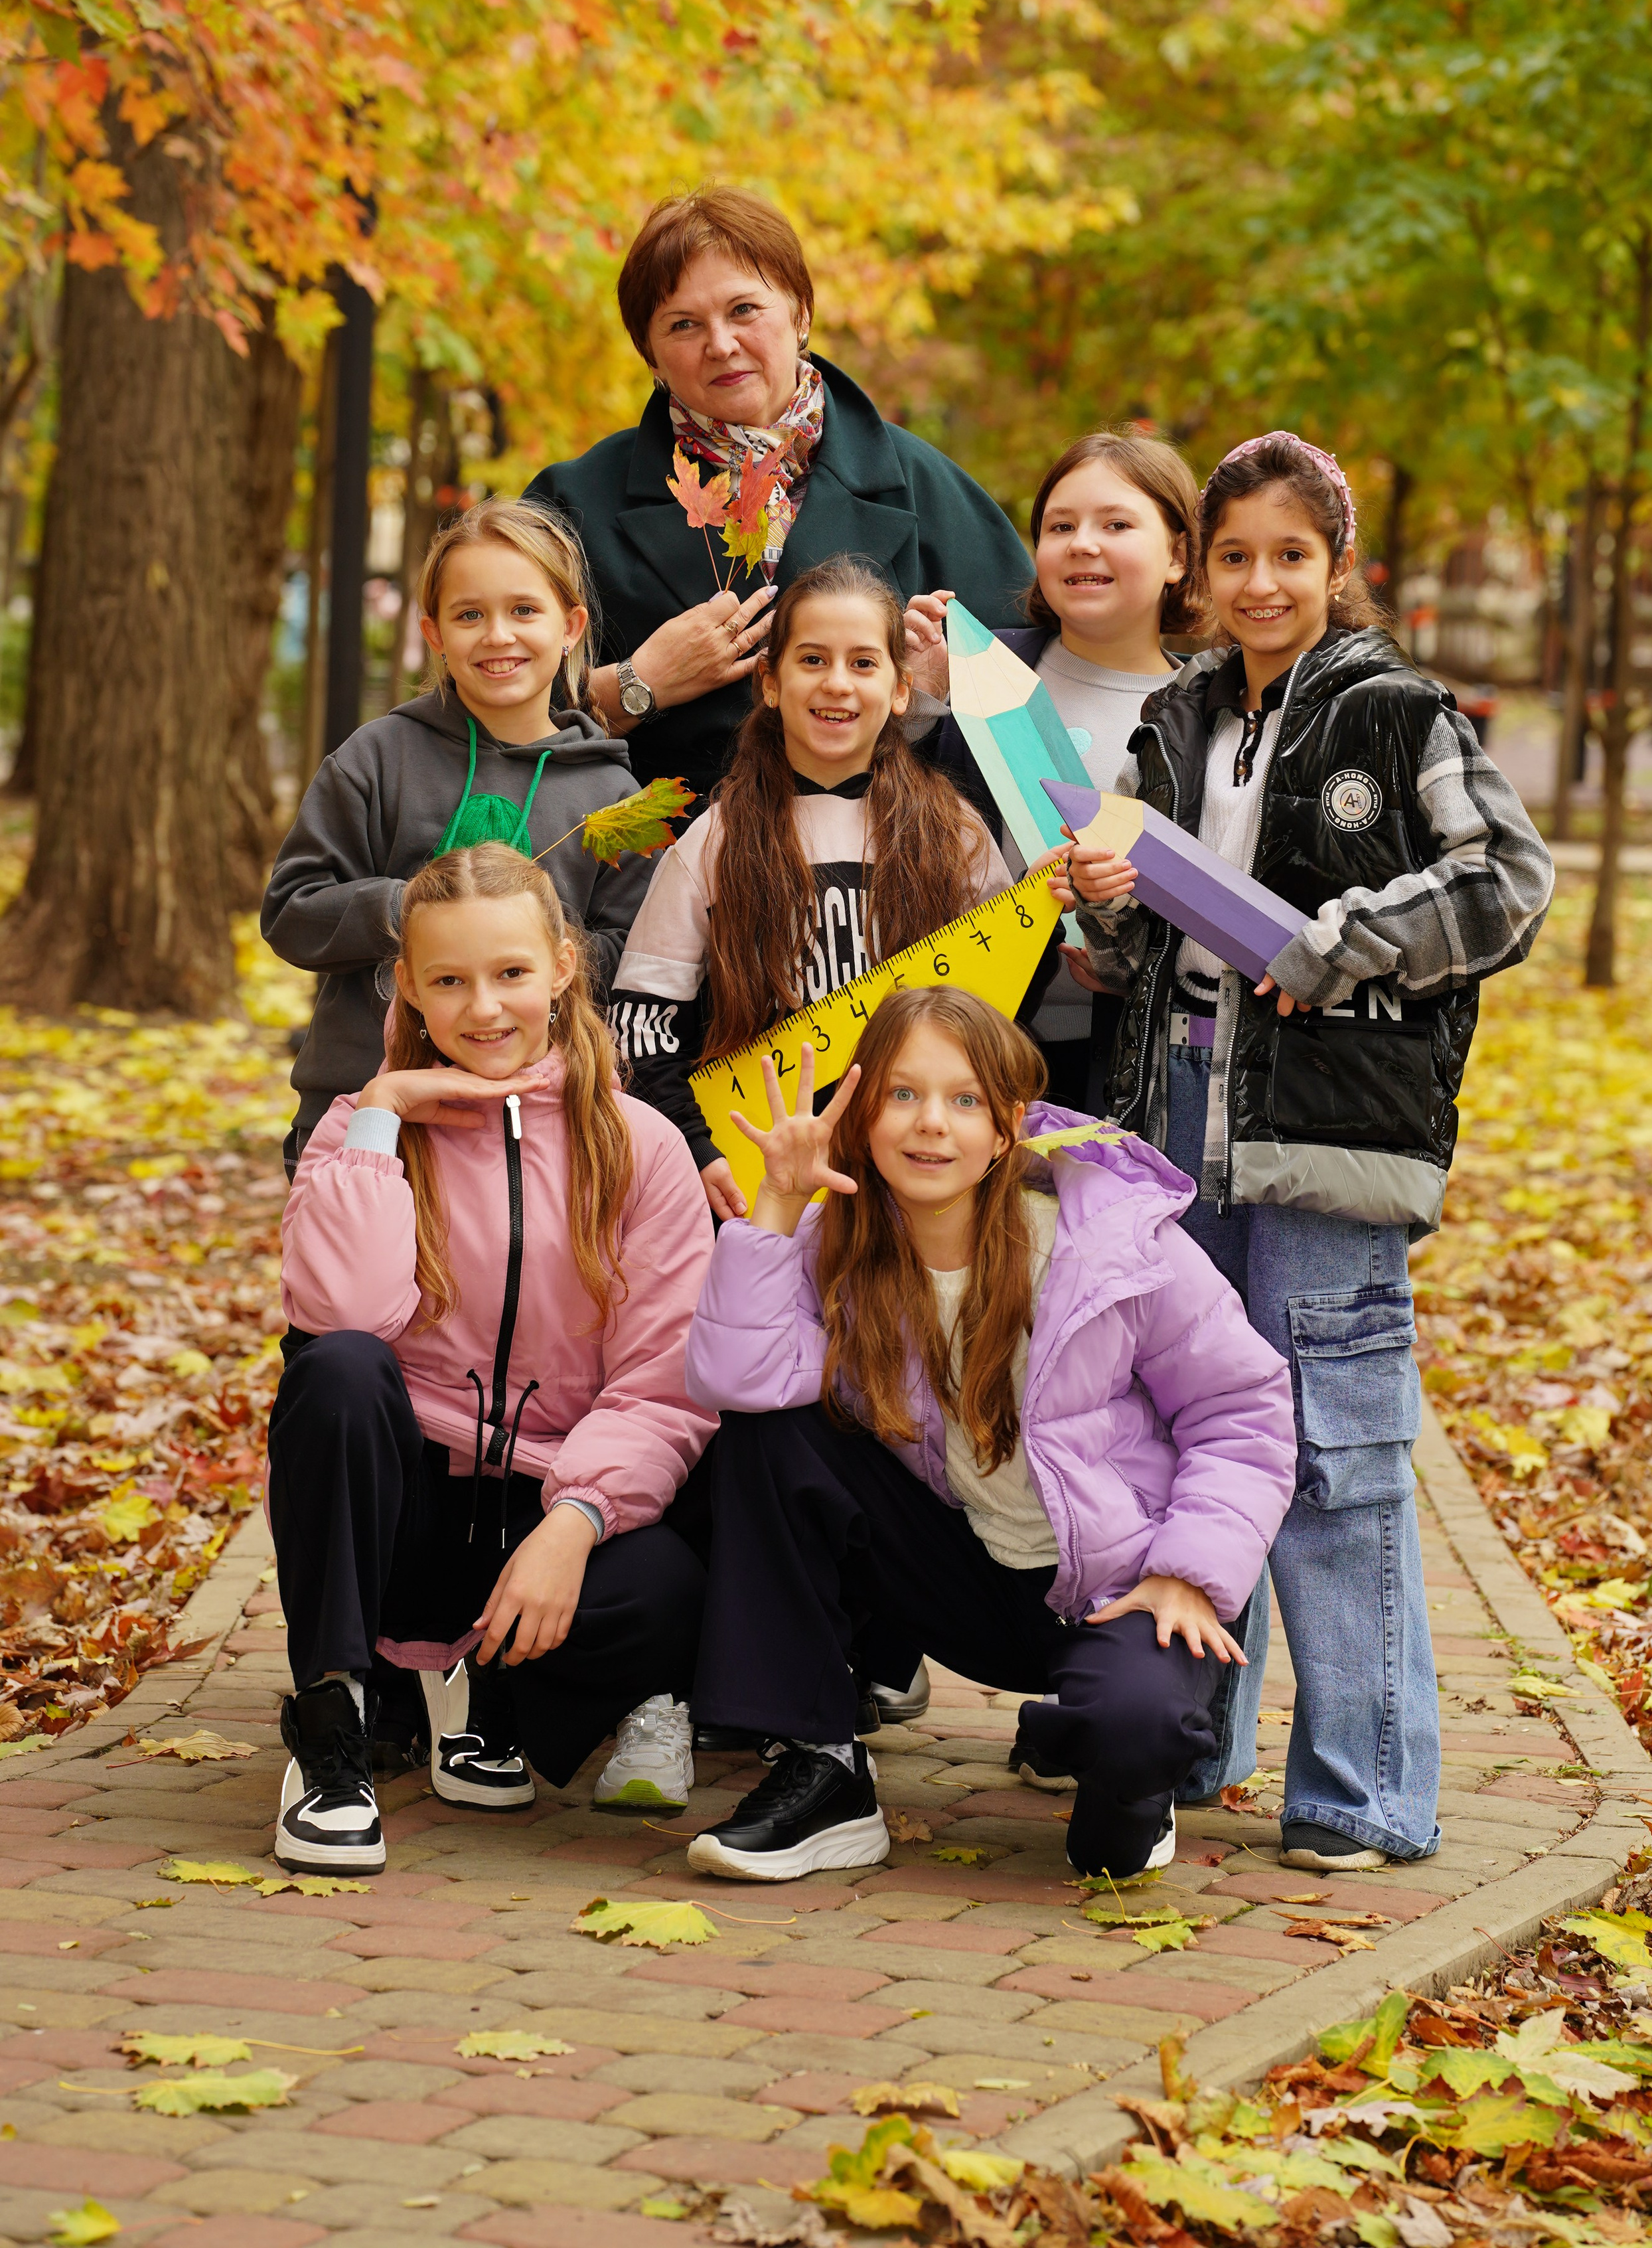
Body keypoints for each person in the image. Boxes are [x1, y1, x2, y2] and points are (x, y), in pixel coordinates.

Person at [1059, 430, 1555, 1874]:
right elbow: (1126, 946)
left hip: (1328, 1139)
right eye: (1233, 558)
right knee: (1198, 1442)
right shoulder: (1170, 718)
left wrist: (1339, 945)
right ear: (1198, 575)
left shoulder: (1398, 716)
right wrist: (1103, 898)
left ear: (1338, 569)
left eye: (1290, 555)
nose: (1260, 582)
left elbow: (1505, 884)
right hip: (1175, 1126)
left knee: (1334, 1457)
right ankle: (1193, 1743)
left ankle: (1360, 1791)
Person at [677, 988, 1296, 1884]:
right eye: (903, 1095)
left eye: (963, 1100)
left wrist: (1186, 1572)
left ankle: (1099, 1746)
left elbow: (1243, 1411)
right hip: (955, 1574)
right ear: (863, 1114)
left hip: (1113, 1587)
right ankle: (824, 1770)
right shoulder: (838, 1242)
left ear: (1009, 1127)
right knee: (769, 1438)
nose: (931, 1126)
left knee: (1118, 1808)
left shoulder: (1110, 1247)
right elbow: (740, 1381)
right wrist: (775, 1200)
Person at [269, 842, 715, 1876]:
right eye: (450, 982)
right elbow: (344, 1313)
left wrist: (577, 1519)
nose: (484, 1010)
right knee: (335, 1368)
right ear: (411, 992)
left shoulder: (640, 1145)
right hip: (408, 1507)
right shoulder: (358, 1131)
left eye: (511, 974)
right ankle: (335, 1722)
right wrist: (381, 1115)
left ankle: (489, 1697)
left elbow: (662, 1382)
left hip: (539, 1503)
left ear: (564, 966)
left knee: (669, 1588)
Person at [522, 187, 1033, 803]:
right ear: (649, 354)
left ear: (801, 315)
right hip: (656, 878)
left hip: (893, 872)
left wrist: (927, 697)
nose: (721, 344)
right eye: (683, 325)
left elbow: (1029, 720)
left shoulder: (930, 490)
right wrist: (638, 684)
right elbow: (486, 717)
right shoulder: (571, 506)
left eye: (744, 310)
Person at [609, 555, 1020, 1227]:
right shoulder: (711, 843)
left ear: (899, 689)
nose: (837, 684)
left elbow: (1001, 1011)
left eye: (863, 663)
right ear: (770, 683)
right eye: (811, 660)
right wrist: (697, 1147)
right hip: (764, 1181)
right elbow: (642, 1029)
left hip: (919, 1181)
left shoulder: (954, 834)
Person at [263, 497, 655, 1172]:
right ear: (435, 633)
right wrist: (409, 910)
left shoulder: (612, 800)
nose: (498, 635)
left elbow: (627, 956)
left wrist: (522, 944)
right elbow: (292, 911)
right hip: (366, 1111)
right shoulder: (378, 758)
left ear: (570, 626)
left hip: (533, 1130)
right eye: (470, 615)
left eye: (523, 611)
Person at [923, 430, 1205, 1114]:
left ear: (1177, 555)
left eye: (1116, 524)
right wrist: (914, 702)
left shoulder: (1211, 712)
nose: (1083, 542)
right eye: (1060, 525)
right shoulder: (975, 671)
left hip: (1137, 1062)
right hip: (972, 1043)